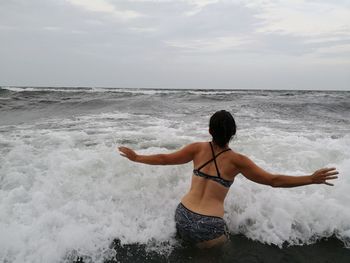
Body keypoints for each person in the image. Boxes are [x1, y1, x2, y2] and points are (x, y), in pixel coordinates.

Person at [118, 110, 338, 248]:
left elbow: (165, 159)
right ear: (233, 134)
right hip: (210, 226)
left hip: (182, 213)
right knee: (226, 250)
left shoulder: (196, 149)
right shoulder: (238, 161)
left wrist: (137, 157)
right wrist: (310, 178)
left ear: (209, 131)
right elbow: (274, 180)